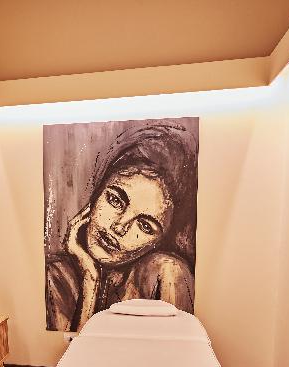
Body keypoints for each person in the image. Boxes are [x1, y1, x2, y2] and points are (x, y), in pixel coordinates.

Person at [46, 120, 198, 331]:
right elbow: (80, 347)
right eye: (115, 201)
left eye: (144, 226)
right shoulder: (56, 277)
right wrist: (91, 280)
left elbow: (174, 346)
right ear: (97, 194)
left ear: (159, 241)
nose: (119, 227)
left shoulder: (166, 272)